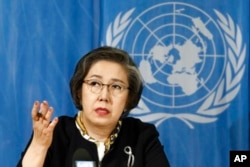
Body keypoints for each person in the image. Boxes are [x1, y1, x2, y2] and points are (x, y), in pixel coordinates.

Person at [17, 46, 170, 167]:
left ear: (129, 98)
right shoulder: (56, 133)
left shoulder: (141, 136)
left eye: (116, 86)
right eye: (94, 83)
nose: (104, 96)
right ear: (79, 91)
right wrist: (39, 147)